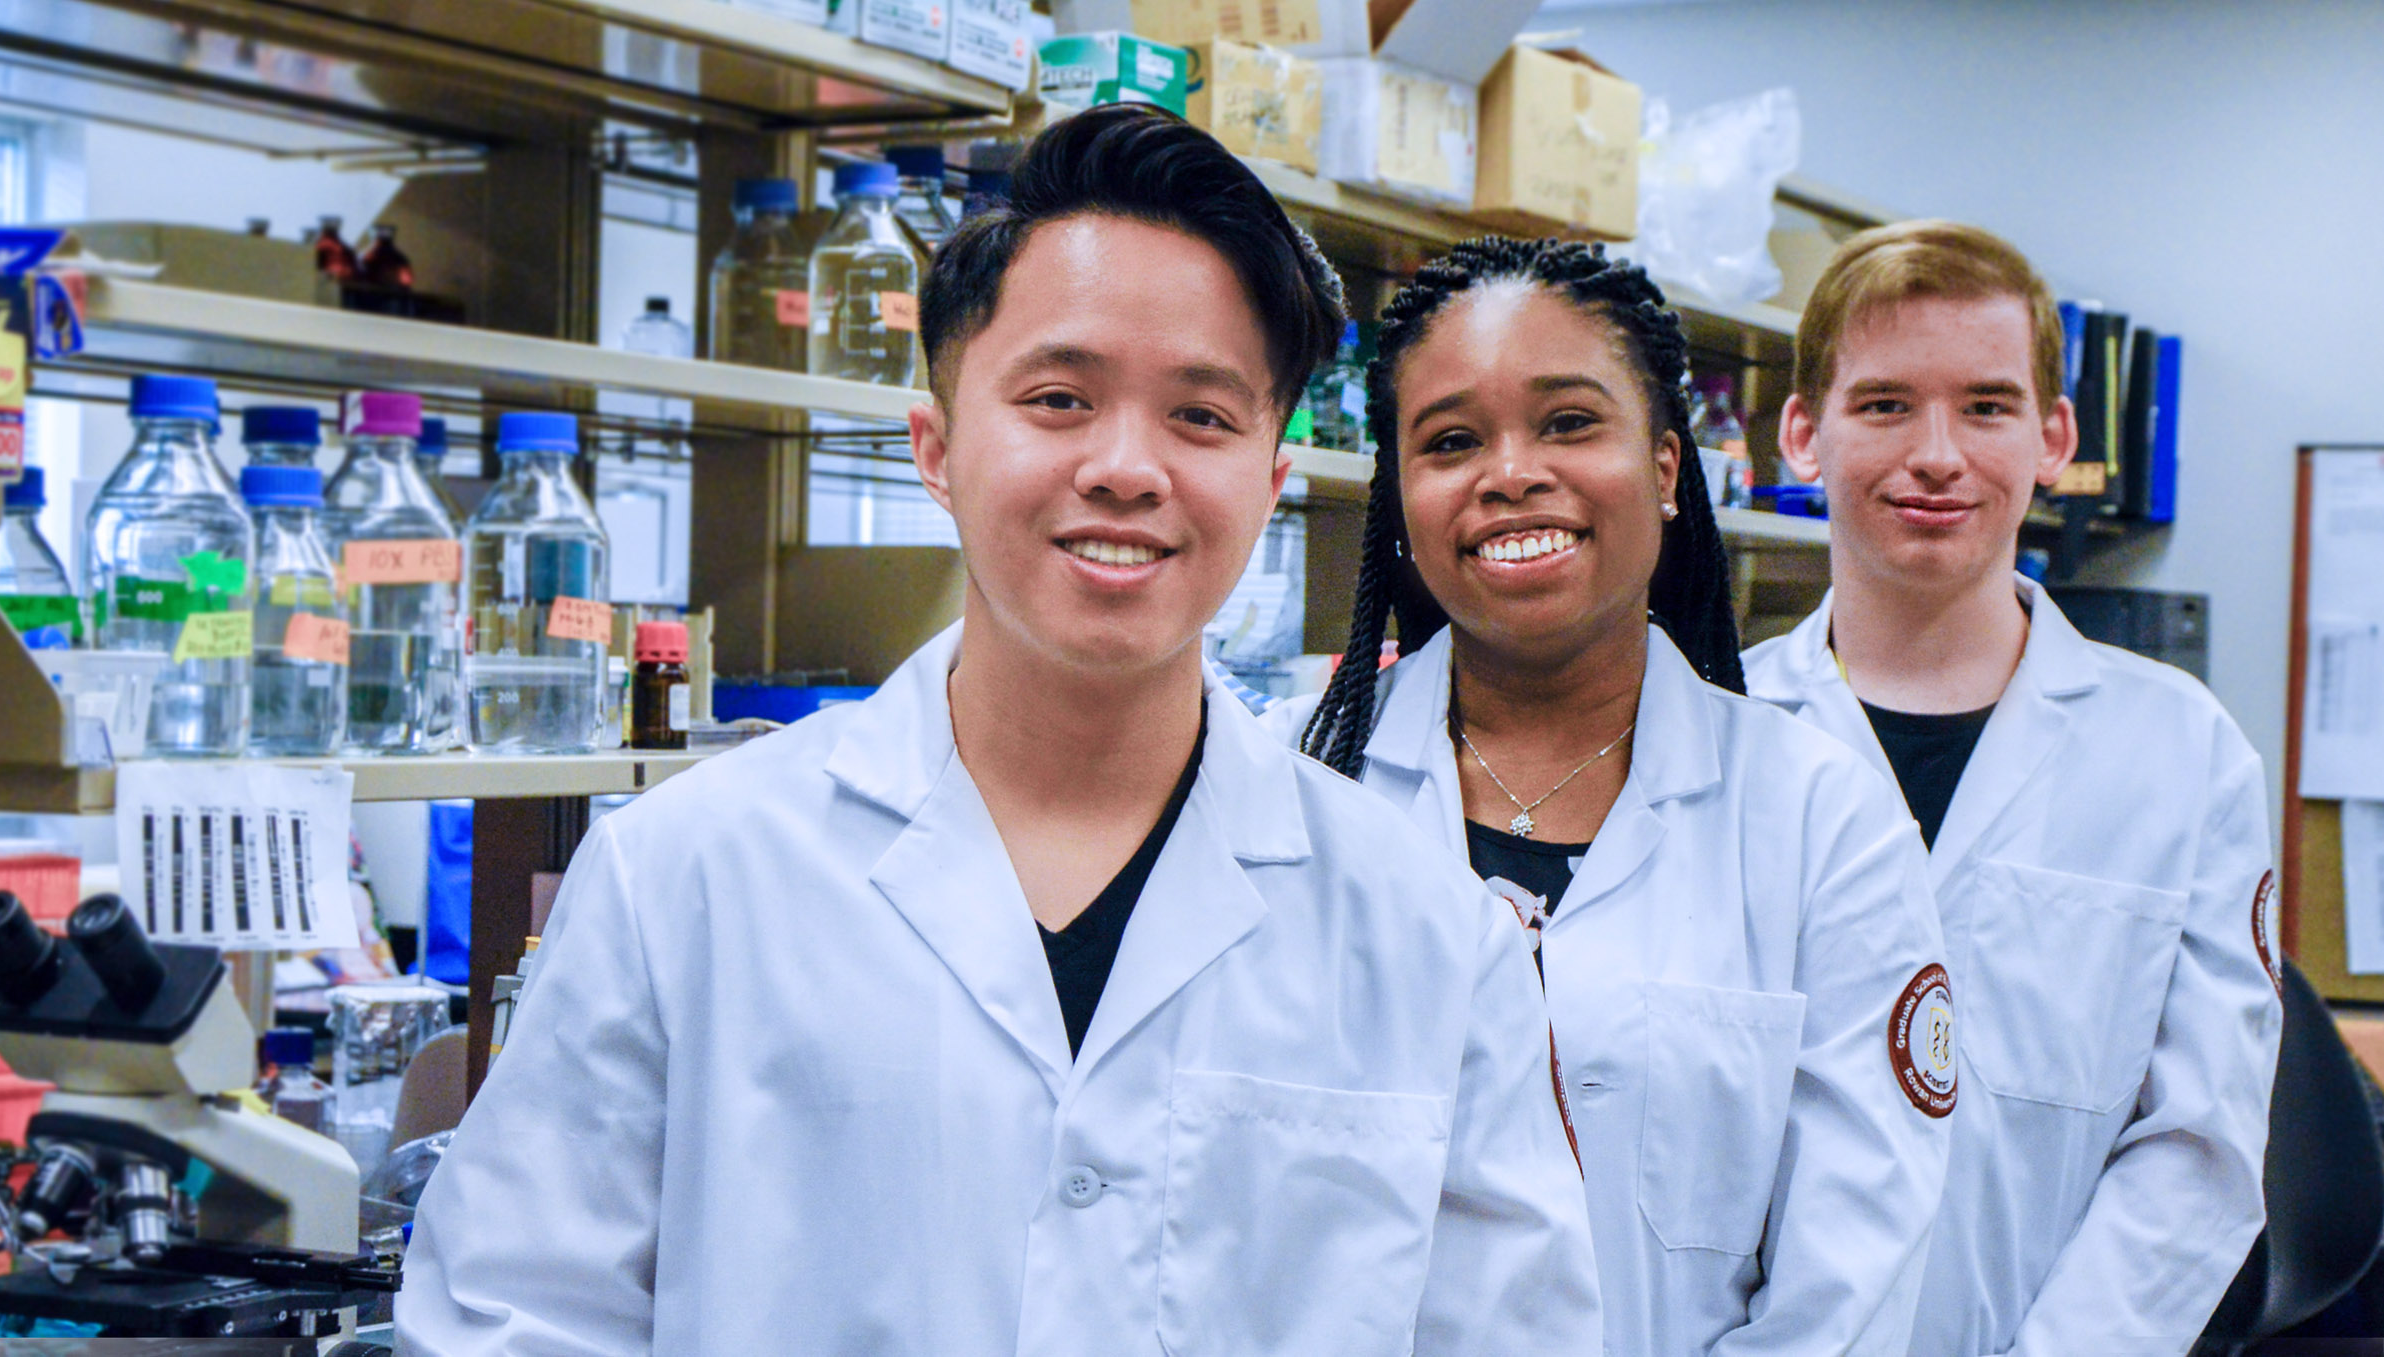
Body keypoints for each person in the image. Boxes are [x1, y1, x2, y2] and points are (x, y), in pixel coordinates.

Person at [396, 105, 1601, 1355]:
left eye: (1201, 416)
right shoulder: (683, 875)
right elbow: (513, 1319)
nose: (1126, 467)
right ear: (938, 446)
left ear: (1270, 475)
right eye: (1060, 397)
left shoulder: (1422, 928)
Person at [1270, 237, 1953, 1355]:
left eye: (1569, 423)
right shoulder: (1291, 788)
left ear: (1668, 470)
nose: (1508, 471)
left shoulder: (1818, 819)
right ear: (1398, 497)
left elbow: (1851, 1279)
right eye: (1448, 441)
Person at [1744, 219, 2279, 1355]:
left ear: (2052, 437)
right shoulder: (1712, 737)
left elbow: (2200, 1150)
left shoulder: (2182, 755)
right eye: (1885, 403)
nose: (1936, 453)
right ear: (1802, 433)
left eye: (1985, 407)